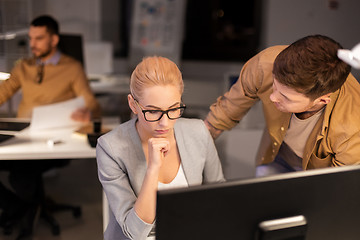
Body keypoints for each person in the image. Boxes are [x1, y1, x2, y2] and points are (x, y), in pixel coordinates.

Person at [96, 56, 225, 240]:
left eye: (173, 109)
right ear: (133, 104)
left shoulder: (198, 132)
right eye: (153, 111)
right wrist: (153, 169)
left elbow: (218, 197)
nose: (164, 123)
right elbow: (135, 232)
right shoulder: (111, 147)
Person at [0, 15, 101, 238]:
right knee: (19, 171)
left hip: (54, 141)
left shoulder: (72, 67)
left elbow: (91, 102)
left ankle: (26, 219)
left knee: (21, 175)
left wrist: (88, 111)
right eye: (30, 38)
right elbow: (4, 92)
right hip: (24, 136)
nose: (32, 44)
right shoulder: (24, 67)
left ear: (54, 40)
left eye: (39, 38)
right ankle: (19, 208)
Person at [204, 34, 360, 177]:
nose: (272, 97)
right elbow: (225, 112)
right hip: (275, 154)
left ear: (322, 100)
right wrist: (195, 145)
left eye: (285, 97)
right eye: (274, 84)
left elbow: (337, 184)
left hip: (317, 174)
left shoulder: (353, 128)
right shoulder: (265, 64)